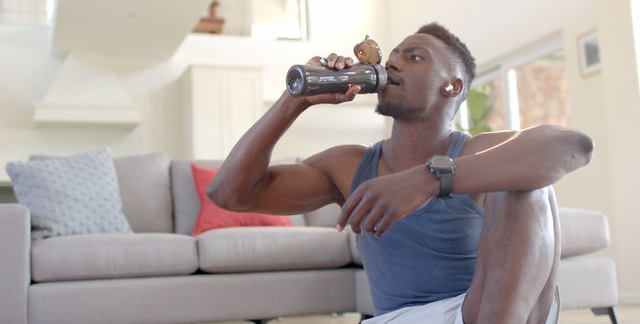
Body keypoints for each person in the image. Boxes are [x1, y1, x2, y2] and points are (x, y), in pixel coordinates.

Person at [207, 22, 594, 324]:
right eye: (392, 56)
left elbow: (573, 145)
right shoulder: (348, 166)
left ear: (452, 85)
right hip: (403, 318)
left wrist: (430, 178)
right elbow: (229, 194)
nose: (391, 63)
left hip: (491, 312)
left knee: (526, 181)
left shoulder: (478, 152)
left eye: (415, 57)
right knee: (521, 174)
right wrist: (295, 100)